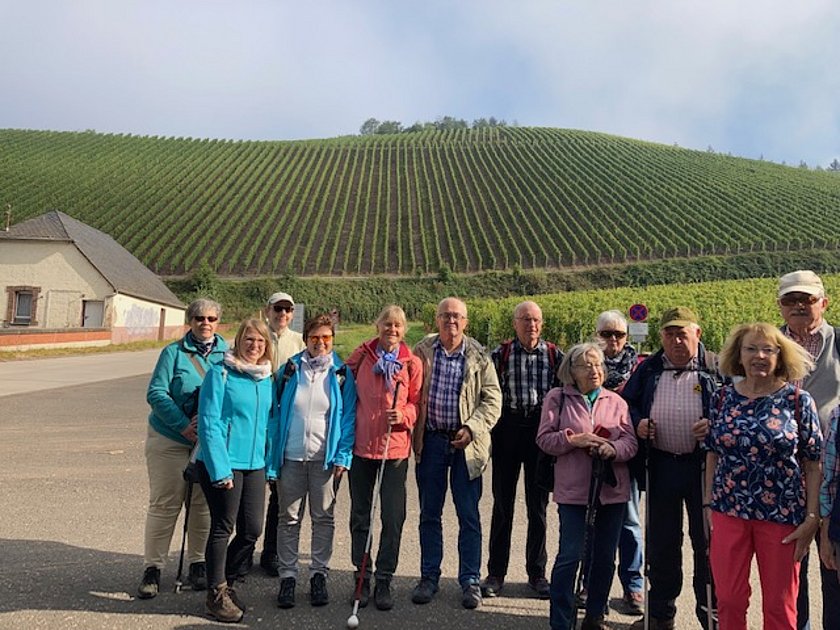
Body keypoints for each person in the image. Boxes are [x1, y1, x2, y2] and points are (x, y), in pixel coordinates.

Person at [704, 322, 822, 630]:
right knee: (728, 599)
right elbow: (713, 453)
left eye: (768, 349)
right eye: (751, 349)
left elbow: (813, 463)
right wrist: (708, 504)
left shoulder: (798, 401)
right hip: (729, 510)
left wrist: (812, 518)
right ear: (738, 356)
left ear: (780, 356)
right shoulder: (721, 398)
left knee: (780, 604)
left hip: (783, 515)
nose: (759, 356)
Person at [622, 306, 720, 630]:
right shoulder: (649, 368)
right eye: (669, 333)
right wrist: (638, 423)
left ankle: (712, 614)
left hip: (702, 469)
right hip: (661, 465)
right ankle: (661, 614)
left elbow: (736, 407)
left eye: (683, 333)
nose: (677, 340)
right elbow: (628, 403)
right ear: (661, 336)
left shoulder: (716, 368)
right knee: (662, 542)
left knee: (706, 541)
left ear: (697, 334)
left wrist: (714, 425)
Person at [537, 342, 638, 630]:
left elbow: (630, 443)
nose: (594, 370)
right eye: (586, 365)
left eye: (597, 365)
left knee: (605, 559)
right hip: (574, 492)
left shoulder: (616, 401)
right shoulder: (557, 398)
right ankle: (561, 619)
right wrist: (573, 440)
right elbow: (544, 439)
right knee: (570, 556)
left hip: (611, 491)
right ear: (572, 370)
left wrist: (612, 449)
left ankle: (595, 615)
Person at [411, 297, 502, 610]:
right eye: (446, 316)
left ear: (466, 322)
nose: (451, 321)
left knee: (469, 515)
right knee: (429, 513)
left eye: (457, 317)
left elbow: (492, 401)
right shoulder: (421, 350)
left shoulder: (479, 356)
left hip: (467, 445)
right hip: (433, 441)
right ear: (436, 320)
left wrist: (472, 427)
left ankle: (470, 581)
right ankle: (428, 577)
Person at [266, 314, 357, 609]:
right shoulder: (291, 370)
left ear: (333, 340)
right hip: (291, 458)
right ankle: (288, 578)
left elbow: (348, 418)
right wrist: (272, 459)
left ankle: (319, 574)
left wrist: (343, 455)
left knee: (323, 519)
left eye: (326, 338)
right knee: (288, 519)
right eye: (315, 337)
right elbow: (274, 414)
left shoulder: (341, 373)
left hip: (324, 461)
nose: (320, 343)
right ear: (306, 339)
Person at [137, 298, 226, 599]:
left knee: (202, 505)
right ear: (190, 320)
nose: (205, 323)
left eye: (211, 318)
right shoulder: (173, 353)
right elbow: (156, 392)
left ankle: (197, 562)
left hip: (207, 444)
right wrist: (182, 425)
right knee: (165, 504)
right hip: (170, 439)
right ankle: (153, 568)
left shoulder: (228, 354)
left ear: (218, 322)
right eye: (199, 317)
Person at [481, 301, 563, 600]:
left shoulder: (555, 355)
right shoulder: (500, 355)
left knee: (538, 507)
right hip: (508, 429)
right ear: (515, 324)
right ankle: (496, 573)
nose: (532, 325)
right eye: (526, 320)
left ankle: (537, 573)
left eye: (536, 320)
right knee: (503, 504)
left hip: (540, 432)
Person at [196, 318, 274, 623]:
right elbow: (209, 422)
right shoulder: (221, 373)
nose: (254, 346)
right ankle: (215, 594)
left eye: (260, 342)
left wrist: (270, 462)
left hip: (255, 464)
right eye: (249, 340)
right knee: (222, 526)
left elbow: (270, 423)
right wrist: (219, 469)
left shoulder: (265, 377)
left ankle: (225, 581)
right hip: (223, 463)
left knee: (252, 529)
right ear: (238, 340)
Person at [345, 305, 423, 610]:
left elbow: (417, 403)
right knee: (360, 516)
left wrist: (402, 414)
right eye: (387, 324)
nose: (392, 330)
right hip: (362, 448)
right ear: (378, 326)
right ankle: (361, 576)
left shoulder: (411, 363)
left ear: (404, 330)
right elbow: (338, 383)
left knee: (393, 516)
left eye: (398, 326)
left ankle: (385, 579)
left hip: (395, 451)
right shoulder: (362, 356)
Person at [777, 270, 840, 630]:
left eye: (807, 299)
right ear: (780, 306)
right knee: (789, 573)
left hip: (834, 476)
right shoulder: (765, 346)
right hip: (786, 479)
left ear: (824, 303)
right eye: (790, 300)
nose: (799, 306)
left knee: (834, 568)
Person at [595, 310, 644, 615]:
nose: (613, 340)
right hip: (592, 456)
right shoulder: (584, 363)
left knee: (630, 522)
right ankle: (591, 584)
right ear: (596, 335)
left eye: (619, 335)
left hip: (627, 455)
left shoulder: (640, 368)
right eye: (606, 334)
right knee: (591, 523)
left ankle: (633, 586)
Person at [259, 292, 306, 577]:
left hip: (285, 422)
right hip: (257, 419)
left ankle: (271, 552)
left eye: (288, 310)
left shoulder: (298, 341)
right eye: (278, 309)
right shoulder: (256, 334)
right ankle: (242, 550)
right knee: (249, 490)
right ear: (269, 310)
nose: (283, 314)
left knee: (280, 492)